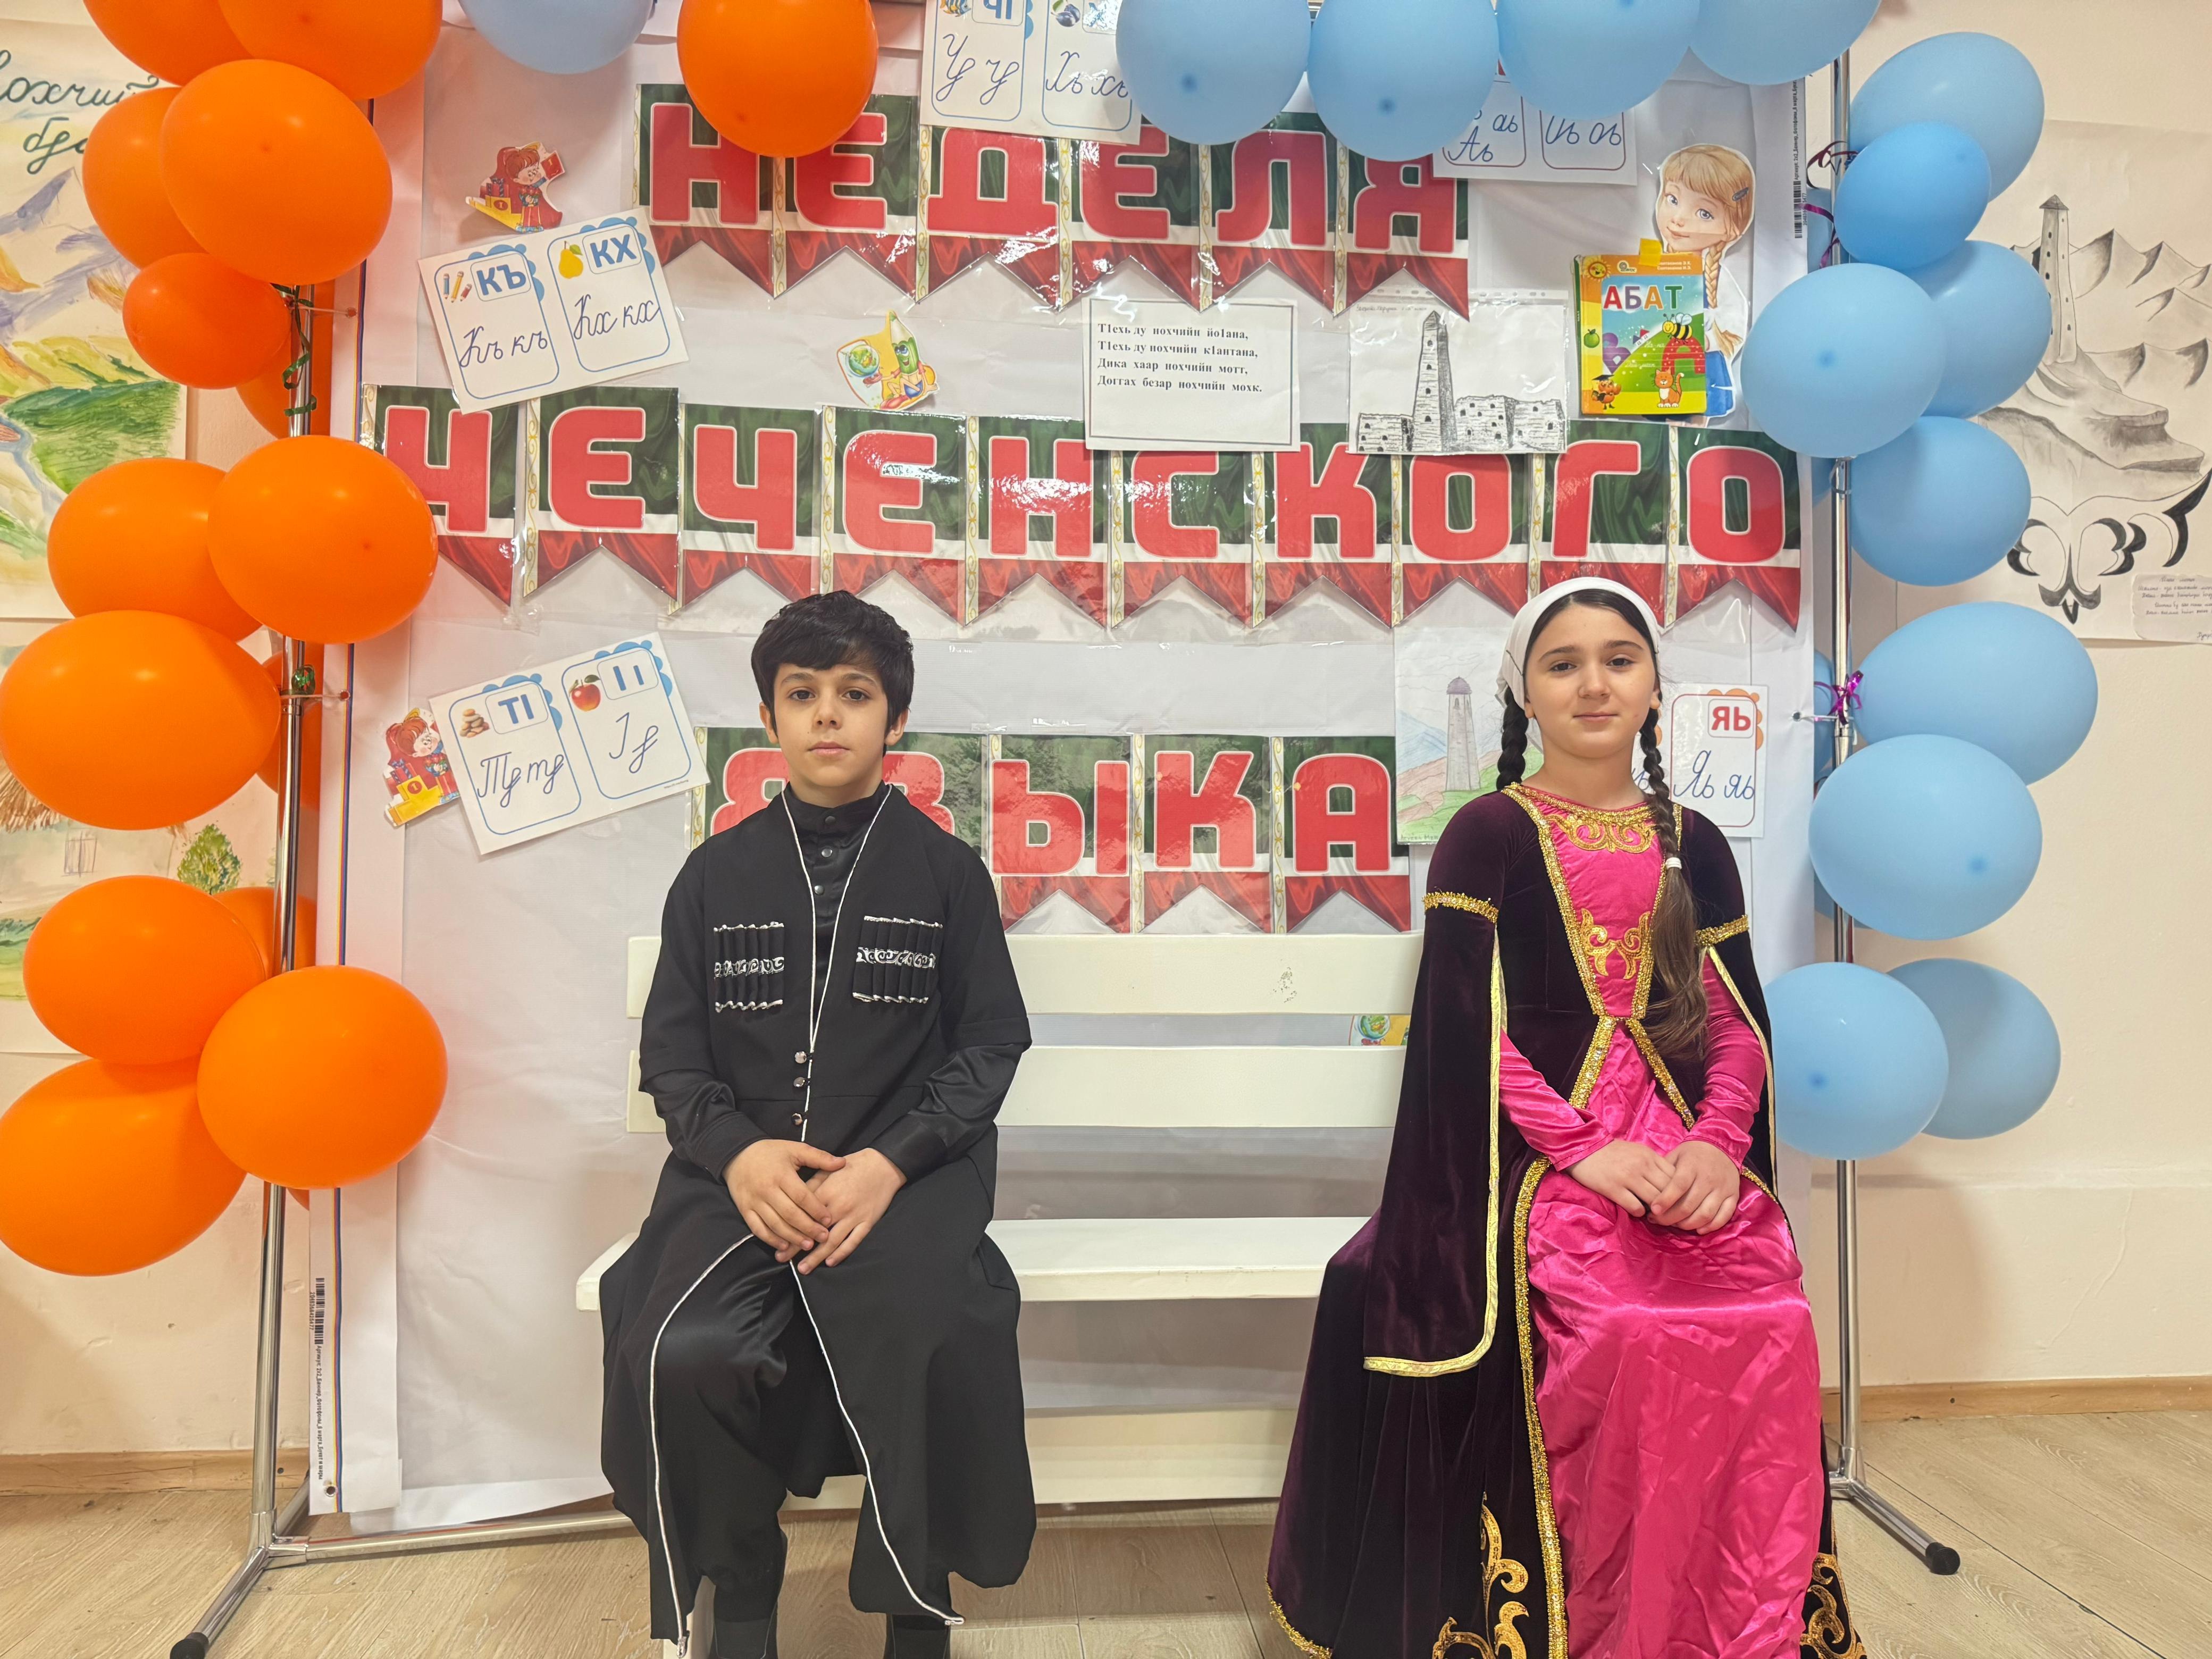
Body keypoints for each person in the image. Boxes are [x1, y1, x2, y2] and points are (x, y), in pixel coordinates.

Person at [1267, 578, 1862, 1659]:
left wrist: (1717, 1147)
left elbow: (1732, 1020)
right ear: (1525, 696)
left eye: (1619, 659)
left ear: (1654, 688)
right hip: (1534, 1158)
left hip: (1680, 1151)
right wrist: (1586, 1151)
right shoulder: (1487, 834)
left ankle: (1733, 1623)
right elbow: (1466, 1027)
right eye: (1562, 663)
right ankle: (1606, 1620)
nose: (1594, 682)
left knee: (1767, 1318)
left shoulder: (1695, 843)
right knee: (1621, 1326)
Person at [600, 591, 1035, 1659]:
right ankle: (741, 1595)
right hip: (737, 1182)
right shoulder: (714, 875)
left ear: (896, 720)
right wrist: (738, 1154)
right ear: (769, 718)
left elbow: (988, 1047)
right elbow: (674, 1059)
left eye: (855, 694)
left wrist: (889, 1164)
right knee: (681, 1350)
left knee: (932, 1333)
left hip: (910, 1180)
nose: (828, 715)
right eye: (803, 695)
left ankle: (915, 1605)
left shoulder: (947, 874)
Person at [1655, 144, 1756, 420]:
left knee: (1697, 419)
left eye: (1704, 213)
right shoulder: (1647, 269)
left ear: (1731, 228)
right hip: (1659, 362)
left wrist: (1707, 339)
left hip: (1703, 362)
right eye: (1673, 199)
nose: (1679, 219)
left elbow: (1734, 322)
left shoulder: (1717, 277)